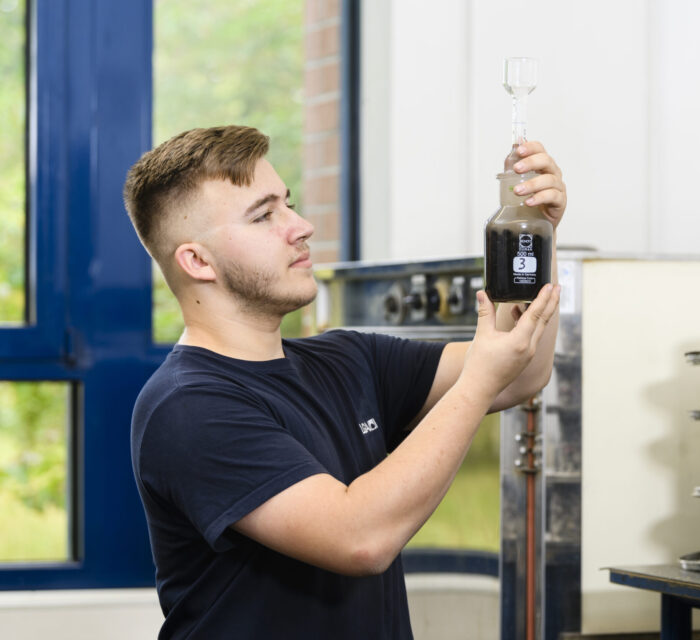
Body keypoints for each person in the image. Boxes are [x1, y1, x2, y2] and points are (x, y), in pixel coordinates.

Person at [123, 125, 567, 639]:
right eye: (265, 215)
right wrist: (477, 382)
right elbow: (359, 538)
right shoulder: (188, 405)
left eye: (288, 205)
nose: (301, 226)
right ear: (197, 262)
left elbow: (521, 371)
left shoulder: (347, 357)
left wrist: (534, 233)